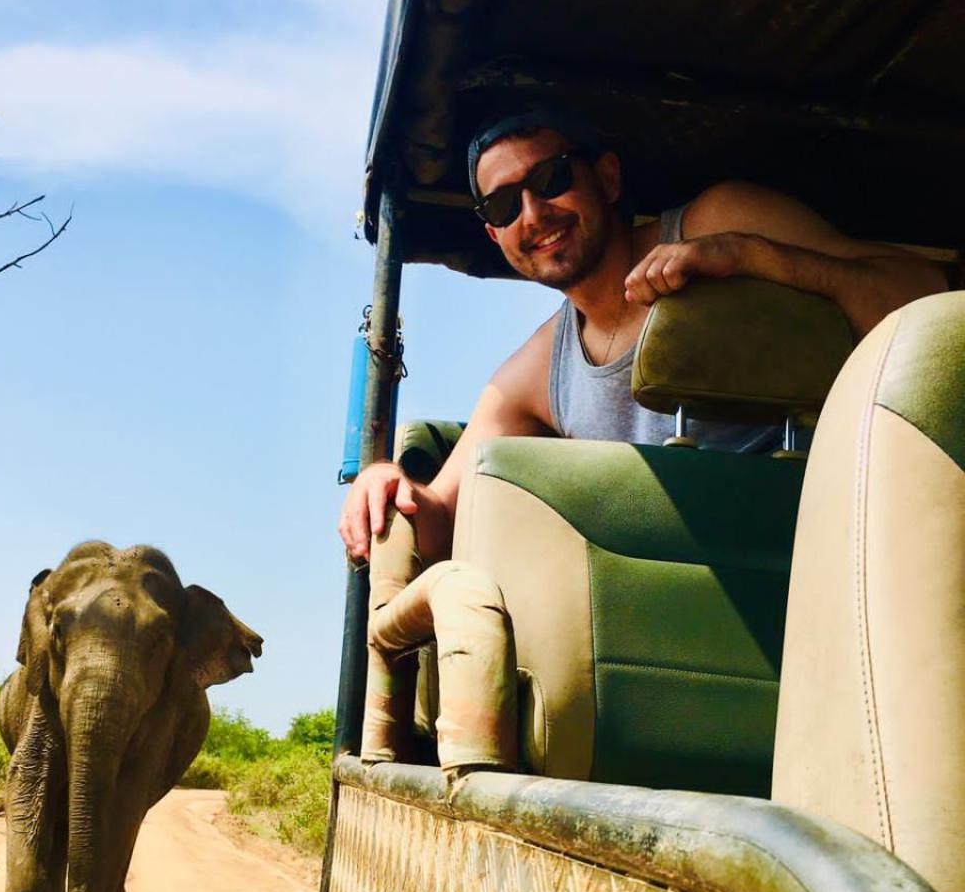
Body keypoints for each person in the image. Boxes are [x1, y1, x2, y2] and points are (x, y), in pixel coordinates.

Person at [339, 107, 946, 562]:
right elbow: (442, 512)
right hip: (684, 611)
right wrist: (386, 482)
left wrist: (755, 259)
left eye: (551, 179)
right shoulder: (536, 371)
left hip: (843, 545)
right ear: (495, 237)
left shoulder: (719, 221)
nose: (533, 213)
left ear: (605, 177)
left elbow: (926, 300)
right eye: (502, 207)